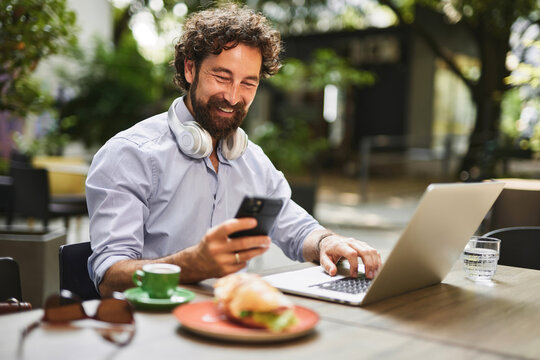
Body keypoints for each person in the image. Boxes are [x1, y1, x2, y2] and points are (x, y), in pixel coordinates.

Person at [86, 4, 381, 297]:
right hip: (154, 328)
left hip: (230, 320)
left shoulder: (251, 160)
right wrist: (190, 265)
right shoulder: (129, 155)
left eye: (248, 83)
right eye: (222, 77)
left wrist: (326, 242)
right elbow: (110, 277)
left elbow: (298, 228)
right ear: (191, 69)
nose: (233, 96)